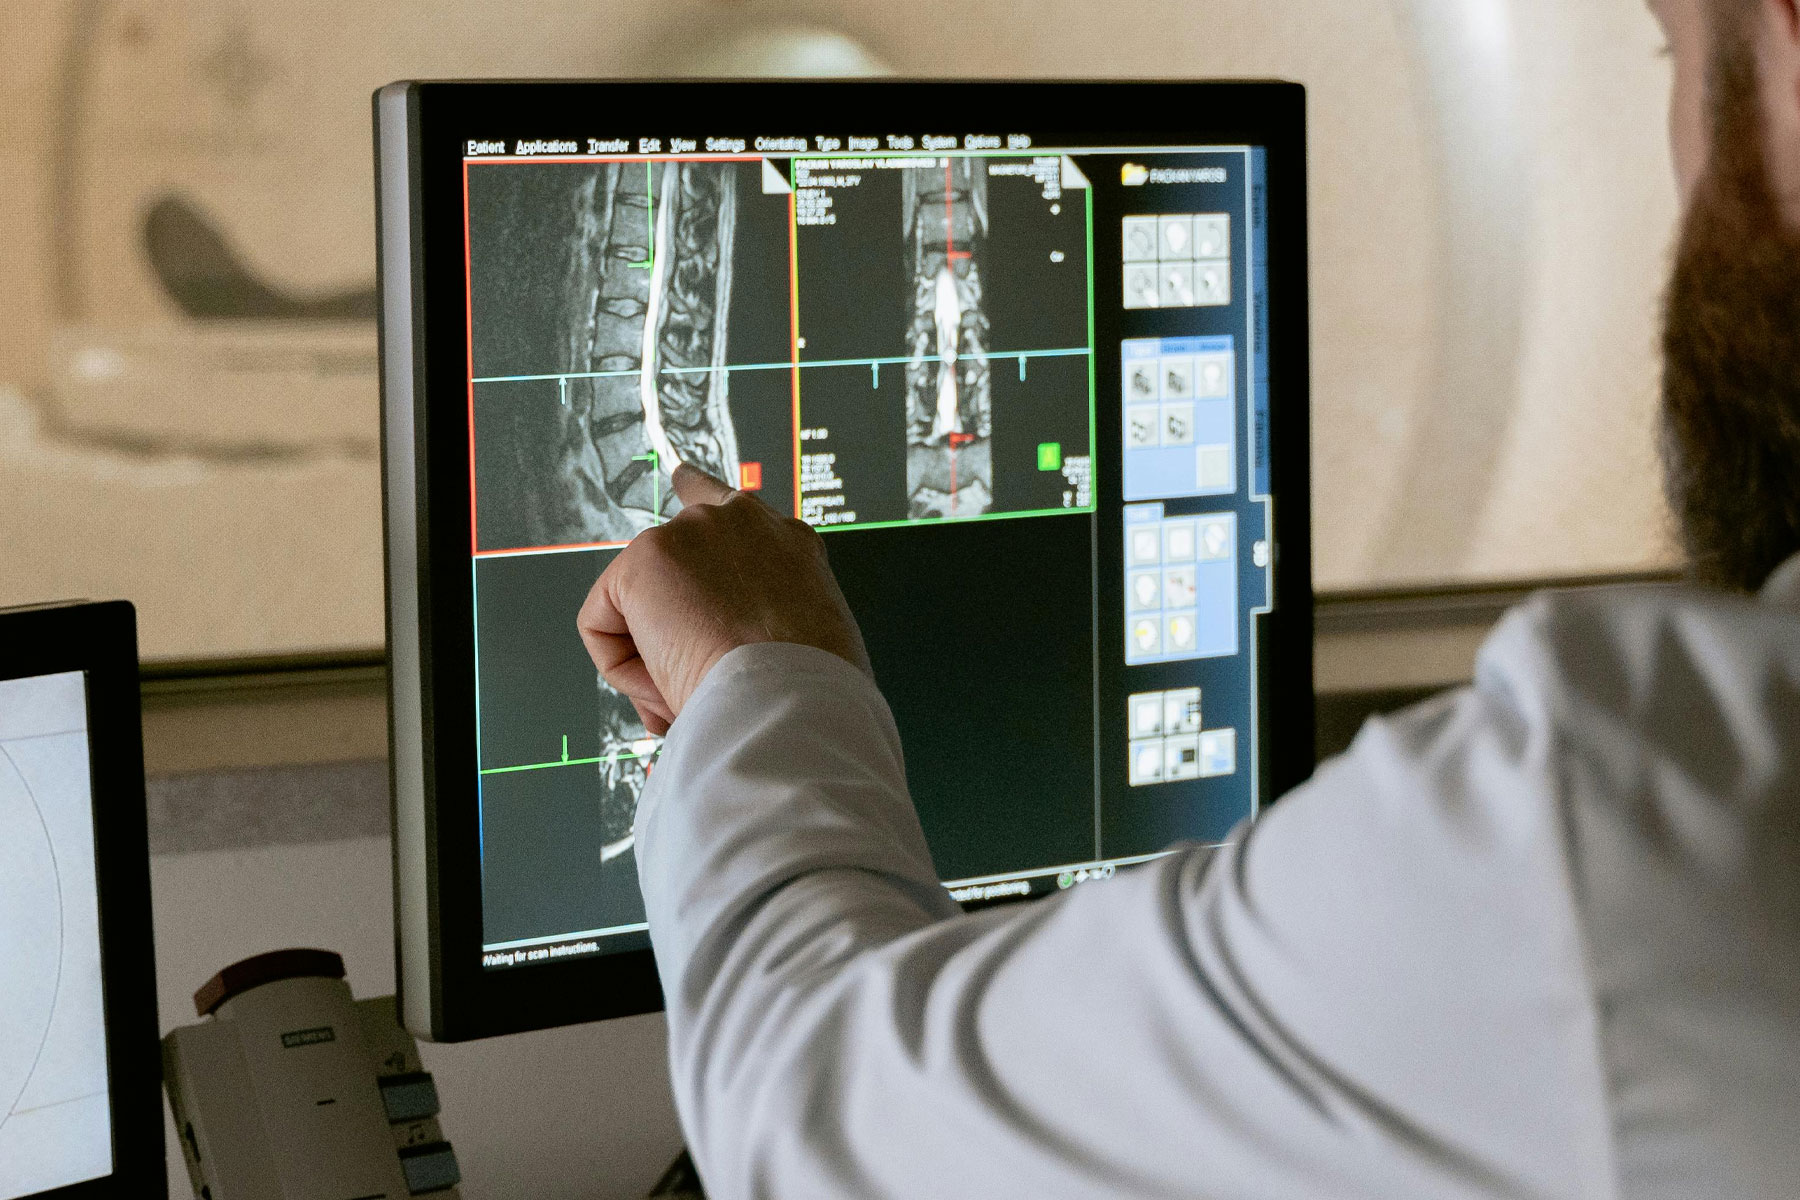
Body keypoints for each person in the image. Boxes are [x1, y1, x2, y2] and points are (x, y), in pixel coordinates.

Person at [578, 0, 1800, 1193]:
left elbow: (814, 1123)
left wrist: (763, 664)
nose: (1684, 162)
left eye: (1676, 54)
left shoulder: (1626, 824)